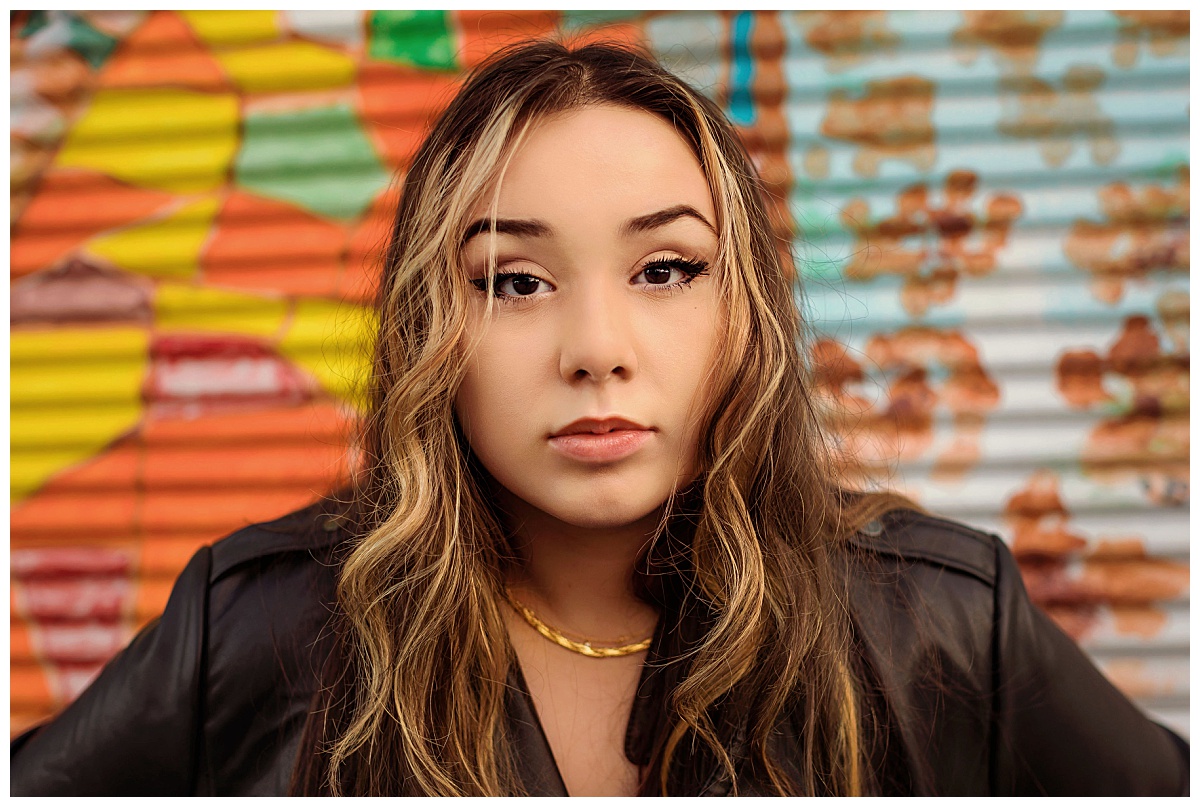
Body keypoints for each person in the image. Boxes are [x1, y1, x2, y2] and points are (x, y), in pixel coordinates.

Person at [10, 40, 1189, 797]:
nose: (596, 352)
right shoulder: (259, 630)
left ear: (749, 314)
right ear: (431, 329)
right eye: (515, 283)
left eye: (666, 269)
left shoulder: (941, 625)